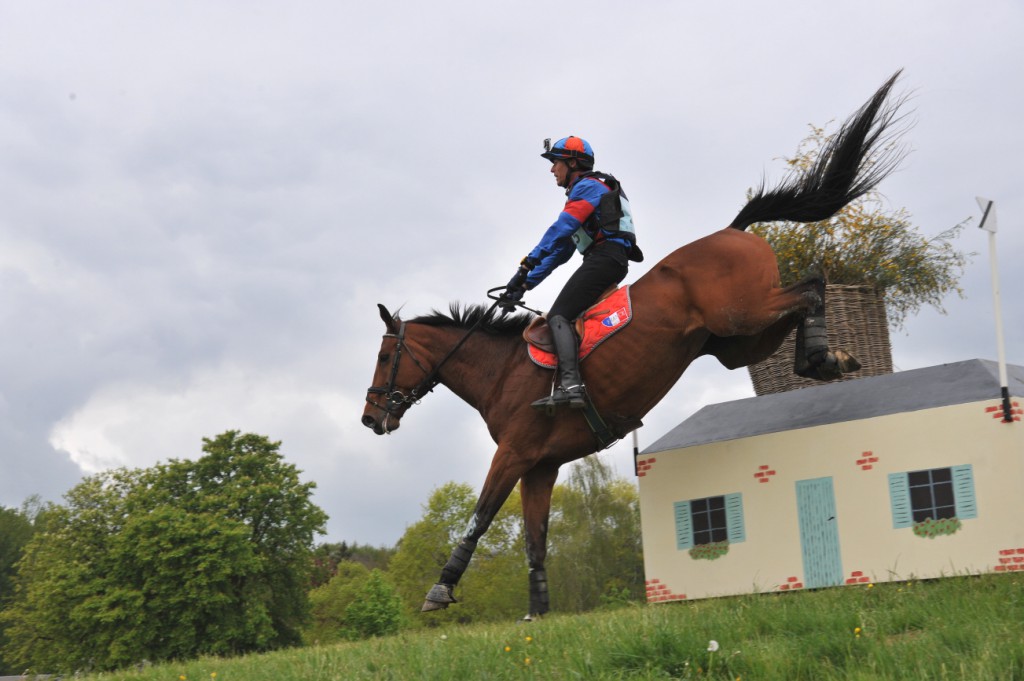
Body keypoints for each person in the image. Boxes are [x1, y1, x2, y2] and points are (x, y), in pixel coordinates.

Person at [501, 136, 642, 412]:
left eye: (555, 163)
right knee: (573, 318)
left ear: (573, 163)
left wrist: (526, 265)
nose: (552, 169)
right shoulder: (584, 194)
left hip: (605, 258)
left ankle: (572, 386)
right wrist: (524, 284)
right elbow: (560, 252)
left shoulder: (589, 187)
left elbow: (560, 229)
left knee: (558, 316)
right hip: (603, 258)